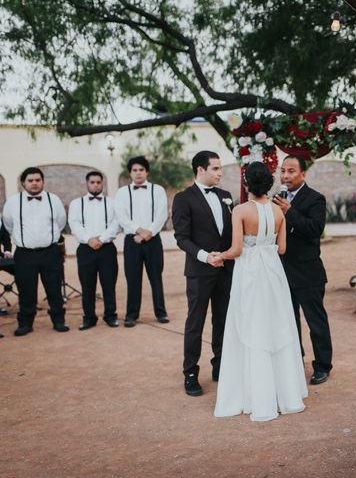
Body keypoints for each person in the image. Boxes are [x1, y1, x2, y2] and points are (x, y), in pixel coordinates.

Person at [214, 161, 307, 421]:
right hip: (273, 274)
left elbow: (236, 250)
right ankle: (284, 394)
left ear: (246, 185)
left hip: (250, 274)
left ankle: (253, 395)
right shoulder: (279, 212)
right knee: (276, 324)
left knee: (251, 325)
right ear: (268, 184)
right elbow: (283, 249)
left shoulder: (240, 210)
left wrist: (218, 256)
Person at [172, 151, 233, 396]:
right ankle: (190, 373)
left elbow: (232, 233)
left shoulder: (226, 196)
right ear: (200, 170)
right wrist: (206, 256)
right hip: (199, 270)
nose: (220, 173)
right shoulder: (183, 198)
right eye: (215, 169)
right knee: (195, 321)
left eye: (220, 169)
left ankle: (220, 366)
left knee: (223, 319)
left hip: (227, 269)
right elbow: (182, 238)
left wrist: (226, 255)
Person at [273, 155, 333, 385]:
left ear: (303, 174)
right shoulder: (275, 199)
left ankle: (323, 366)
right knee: (290, 321)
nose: (285, 176)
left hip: (308, 273)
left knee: (316, 322)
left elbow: (314, 229)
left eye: (291, 171)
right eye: (283, 171)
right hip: (282, 272)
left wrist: (290, 211)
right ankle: (295, 361)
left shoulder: (316, 199)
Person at [2, 167, 68, 335]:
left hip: (50, 252)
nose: (34, 183)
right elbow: (8, 226)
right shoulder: (12, 202)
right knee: (26, 291)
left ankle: (59, 321)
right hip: (25, 254)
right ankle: (25, 323)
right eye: (30, 180)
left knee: (54, 289)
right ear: (23, 183)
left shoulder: (53, 200)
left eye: (38, 180)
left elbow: (60, 223)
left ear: (43, 182)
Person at [114, 156, 169, 327]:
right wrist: (139, 231)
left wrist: (149, 233)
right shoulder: (122, 192)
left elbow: (162, 214)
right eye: (134, 170)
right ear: (130, 173)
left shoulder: (158, 190)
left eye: (141, 170)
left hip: (153, 240)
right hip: (133, 241)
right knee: (133, 278)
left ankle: (161, 313)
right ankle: (131, 315)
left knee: (156, 278)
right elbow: (121, 216)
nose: (138, 173)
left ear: (147, 172)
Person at [68, 171, 120, 330]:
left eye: (98, 182)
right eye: (92, 182)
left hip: (107, 249)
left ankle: (110, 316)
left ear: (102, 184)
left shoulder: (112, 203)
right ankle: (89, 318)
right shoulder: (76, 203)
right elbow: (74, 224)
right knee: (87, 285)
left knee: (109, 284)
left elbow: (116, 224)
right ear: (87, 183)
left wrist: (102, 239)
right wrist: (89, 239)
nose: (96, 185)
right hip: (85, 249)